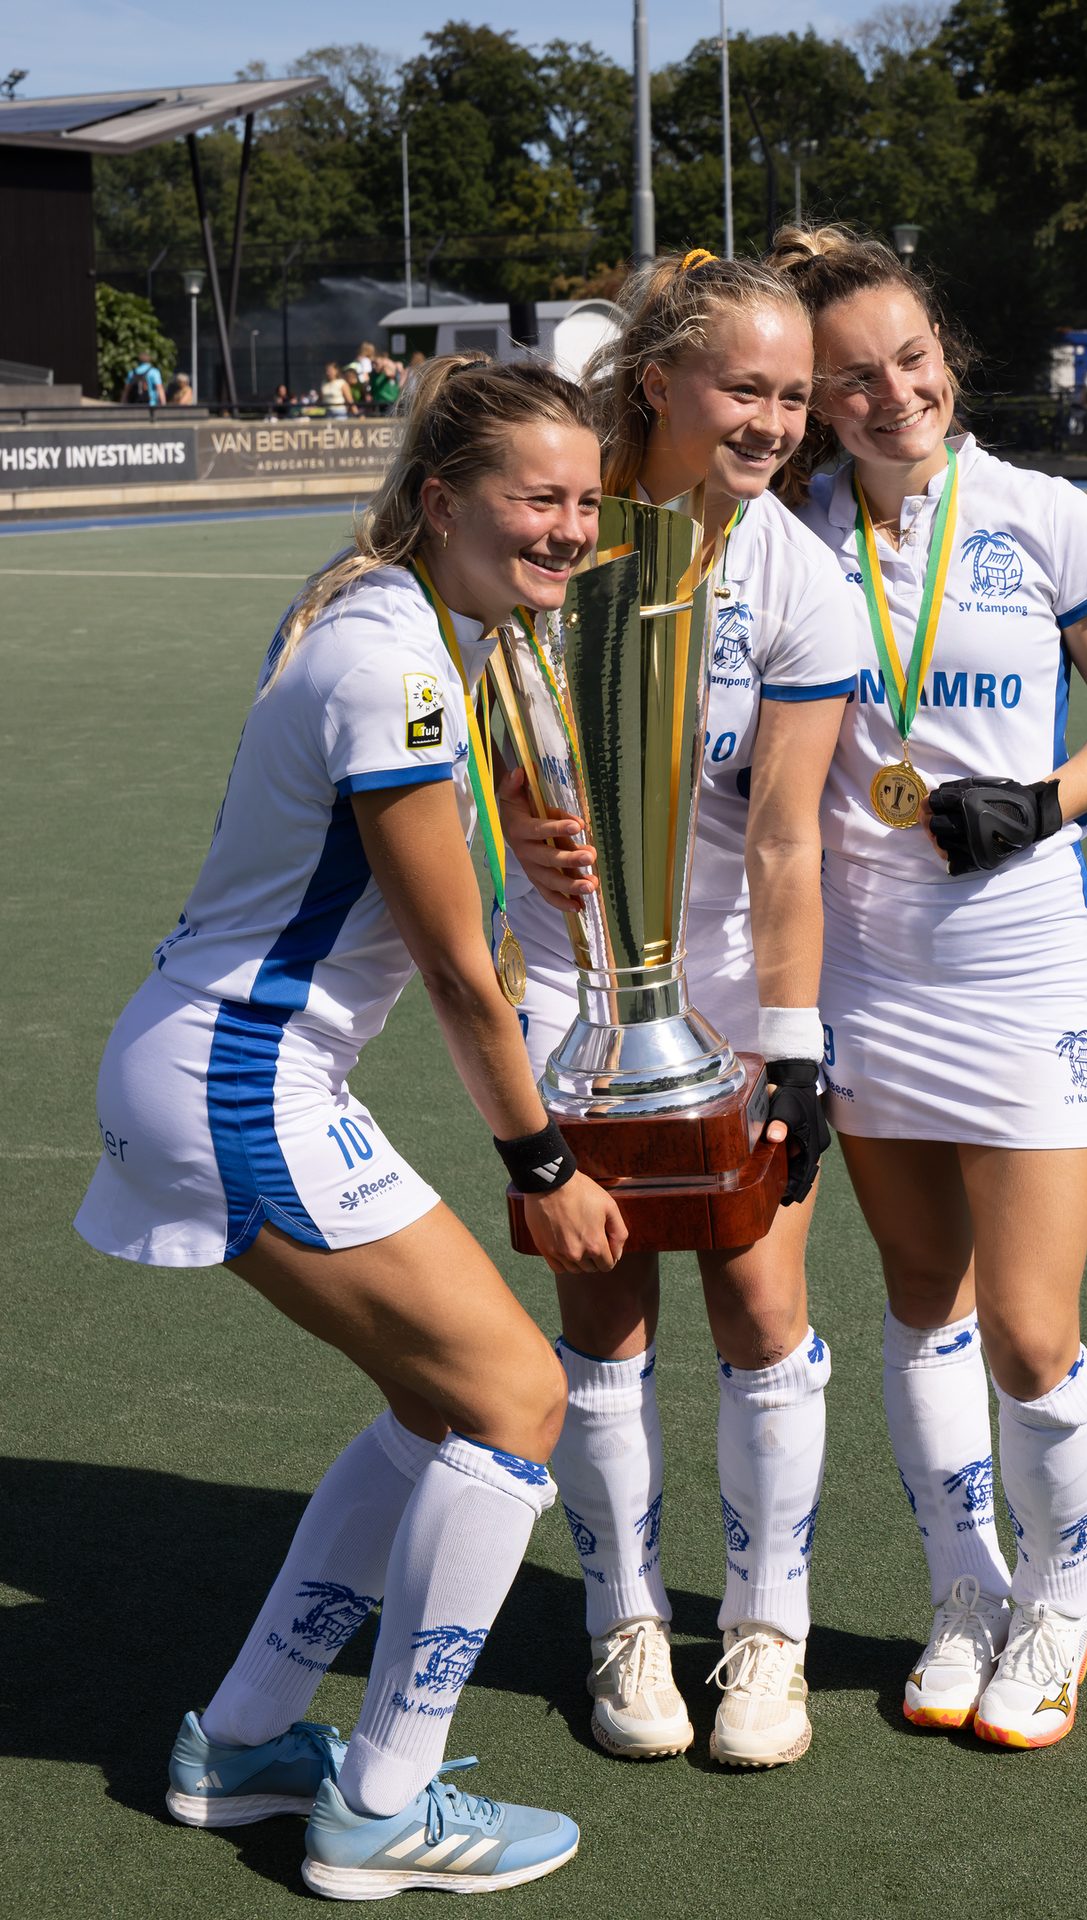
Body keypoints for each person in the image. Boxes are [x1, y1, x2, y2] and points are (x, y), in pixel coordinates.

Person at [74, 356, 626, 1897]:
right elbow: (457, 969)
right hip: (241, 1078)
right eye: (535, 497)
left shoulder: (385, 619)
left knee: (440, 1406)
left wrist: (498, 825)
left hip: (216, 1065)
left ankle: (247, 1742)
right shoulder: (394, 661)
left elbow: (378, 849)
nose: (568, 528)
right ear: (443, 497)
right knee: (520, 1398)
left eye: (585, 499)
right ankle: (380, 1804)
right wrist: (542, 1162)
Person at [770, 224, 1087, 1748]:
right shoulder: (789, 528)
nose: (892, 396)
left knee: (1027, 1329)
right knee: (920, 1303)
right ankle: (963, 1593)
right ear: (818, 399)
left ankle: (1058, 1608)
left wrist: (1046, 799)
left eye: (911, 362)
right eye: (854, 379)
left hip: (1020, 968)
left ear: (948, 357)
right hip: (864, 972)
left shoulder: (1043, 515)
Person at [498, 251, 855, 1768]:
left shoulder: (795, 575)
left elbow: (784, 834)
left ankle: (768, 1634)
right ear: (658, 383)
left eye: (794, 394)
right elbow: (466, 709)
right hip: (568, 982)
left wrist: (793, 1043)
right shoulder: (555, 519)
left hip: (722, 986)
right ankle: (625, 1618)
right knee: (605, 1312)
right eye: (745, 390)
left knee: (764, 1301)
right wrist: (510, 809)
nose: (774, 422)